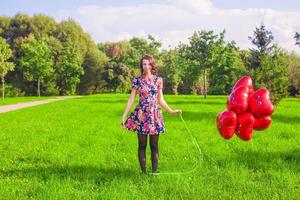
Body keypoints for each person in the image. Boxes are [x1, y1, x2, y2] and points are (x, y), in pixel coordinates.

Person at [120, 54, 182, 174]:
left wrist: (171, 111)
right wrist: (124, 116)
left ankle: (154, 172)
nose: (146, 66)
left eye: (149, 64)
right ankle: (143, 173)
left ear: (152, 65)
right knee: (142, 145)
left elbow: (161, 99)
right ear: (141, 65)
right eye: (144, 64)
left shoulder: (158, 80)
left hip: (154, 115)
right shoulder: (137, 80)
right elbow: (131, 99)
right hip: (141, 115)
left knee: (154, 145)